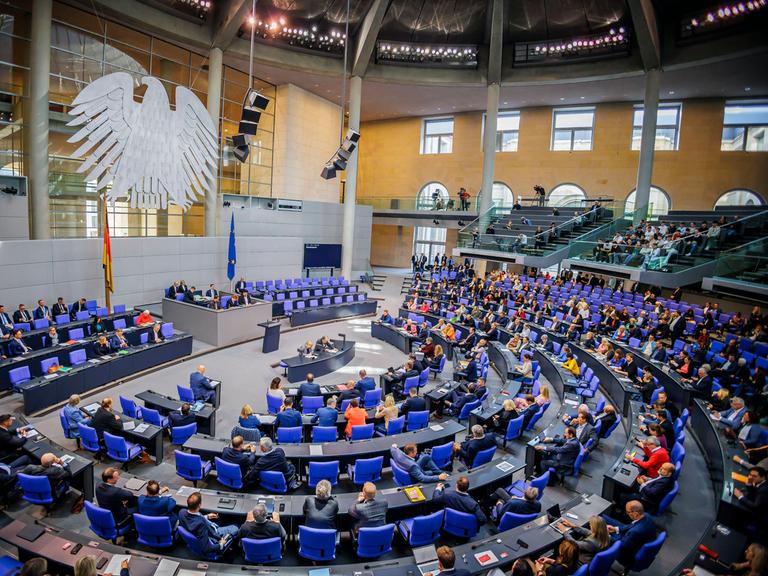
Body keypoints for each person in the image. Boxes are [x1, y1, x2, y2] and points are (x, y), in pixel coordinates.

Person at [602, 501, 657, 566]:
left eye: (628, 512)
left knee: (599, 536)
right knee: (603, 517)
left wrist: (606, 535)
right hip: (632, 540)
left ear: (635, 514)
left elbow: (621, 547)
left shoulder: (635, 532)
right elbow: (631, 525)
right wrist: (615, 529)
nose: (627, 514)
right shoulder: (646, 515)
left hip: (626, 554)